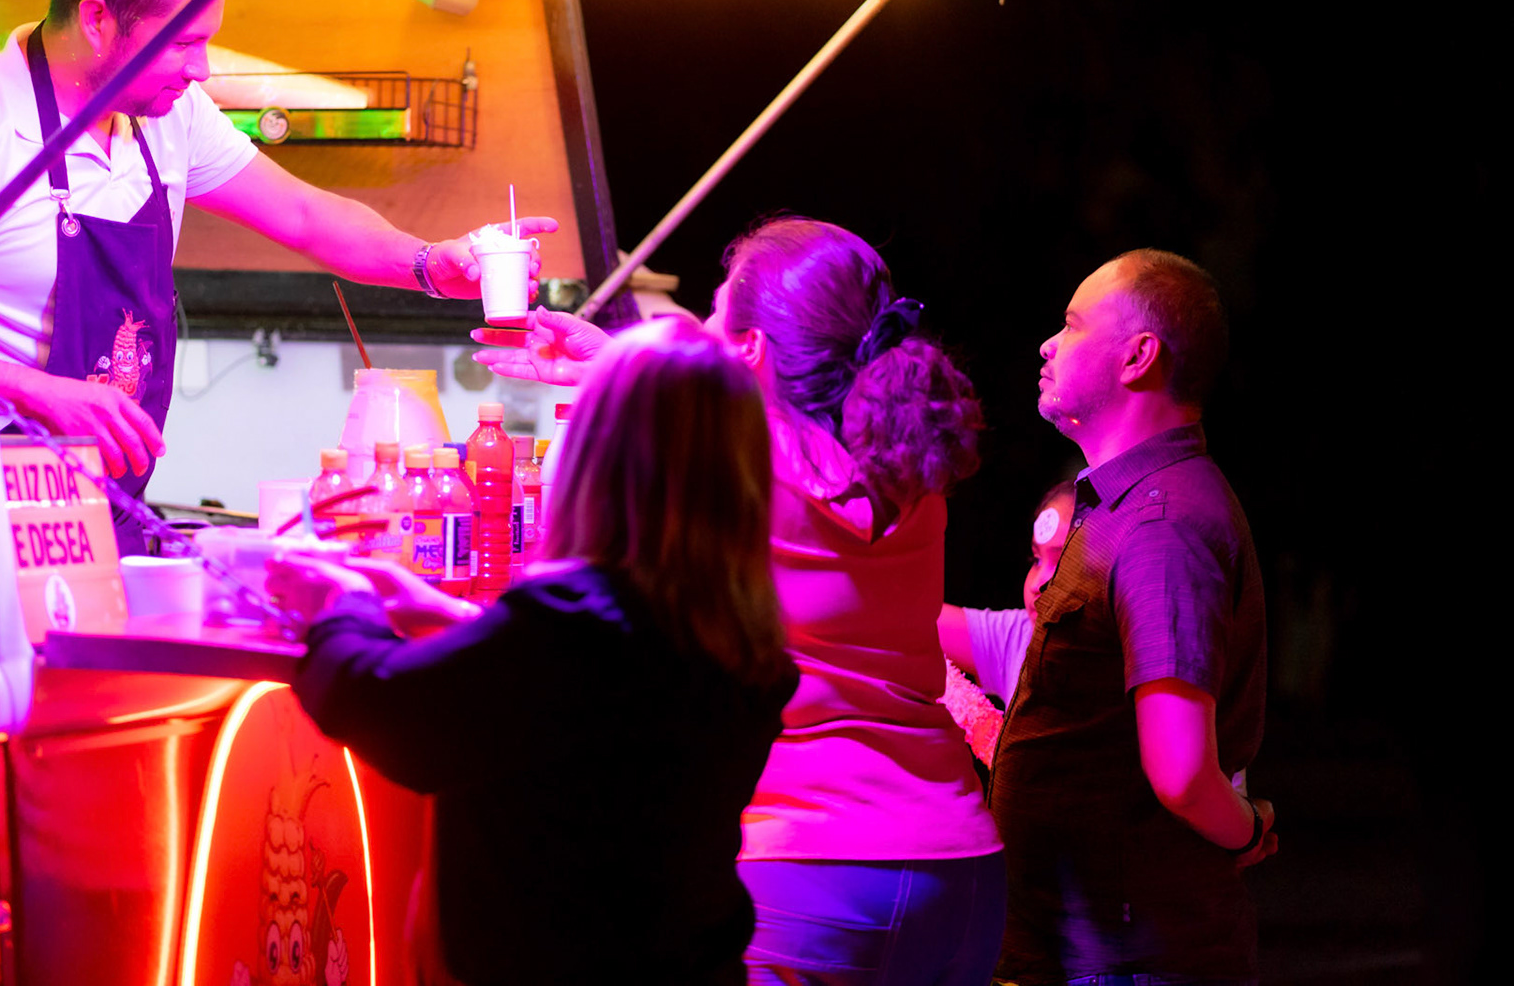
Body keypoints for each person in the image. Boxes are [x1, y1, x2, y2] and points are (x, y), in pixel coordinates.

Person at [476, 217, 1005, 986]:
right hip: (961, 871)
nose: (701, 329)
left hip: (809, 873)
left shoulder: (735, 472)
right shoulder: (910, 470)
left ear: (750, 349)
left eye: (717, 312)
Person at [0, 0, 551, 552]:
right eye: (183, 42)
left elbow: (304, 215)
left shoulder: (173, 116)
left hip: (105, 508)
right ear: (97, 19)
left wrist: (430, 263)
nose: (201, 68)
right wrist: (35, 392)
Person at [267, 317, 798, 986]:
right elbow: (591, 688)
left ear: (598, 459)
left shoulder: (570, 624)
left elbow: (380, 702)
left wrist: (339, 604)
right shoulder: (737, 636)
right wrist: (451, 613)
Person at [989, 250, 1273, 986]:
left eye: (1073, 325)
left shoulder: (1160, 524)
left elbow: (1181, 772)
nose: (1048, 344)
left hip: (1128, 961)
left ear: (1138, 356)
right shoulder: (1126, 507)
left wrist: (1249, 828)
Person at [939, 477, 1077, 705]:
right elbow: (911, 619)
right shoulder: (1020, 638)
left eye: (1063, 562)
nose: (1036, 584)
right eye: (1036, 560)